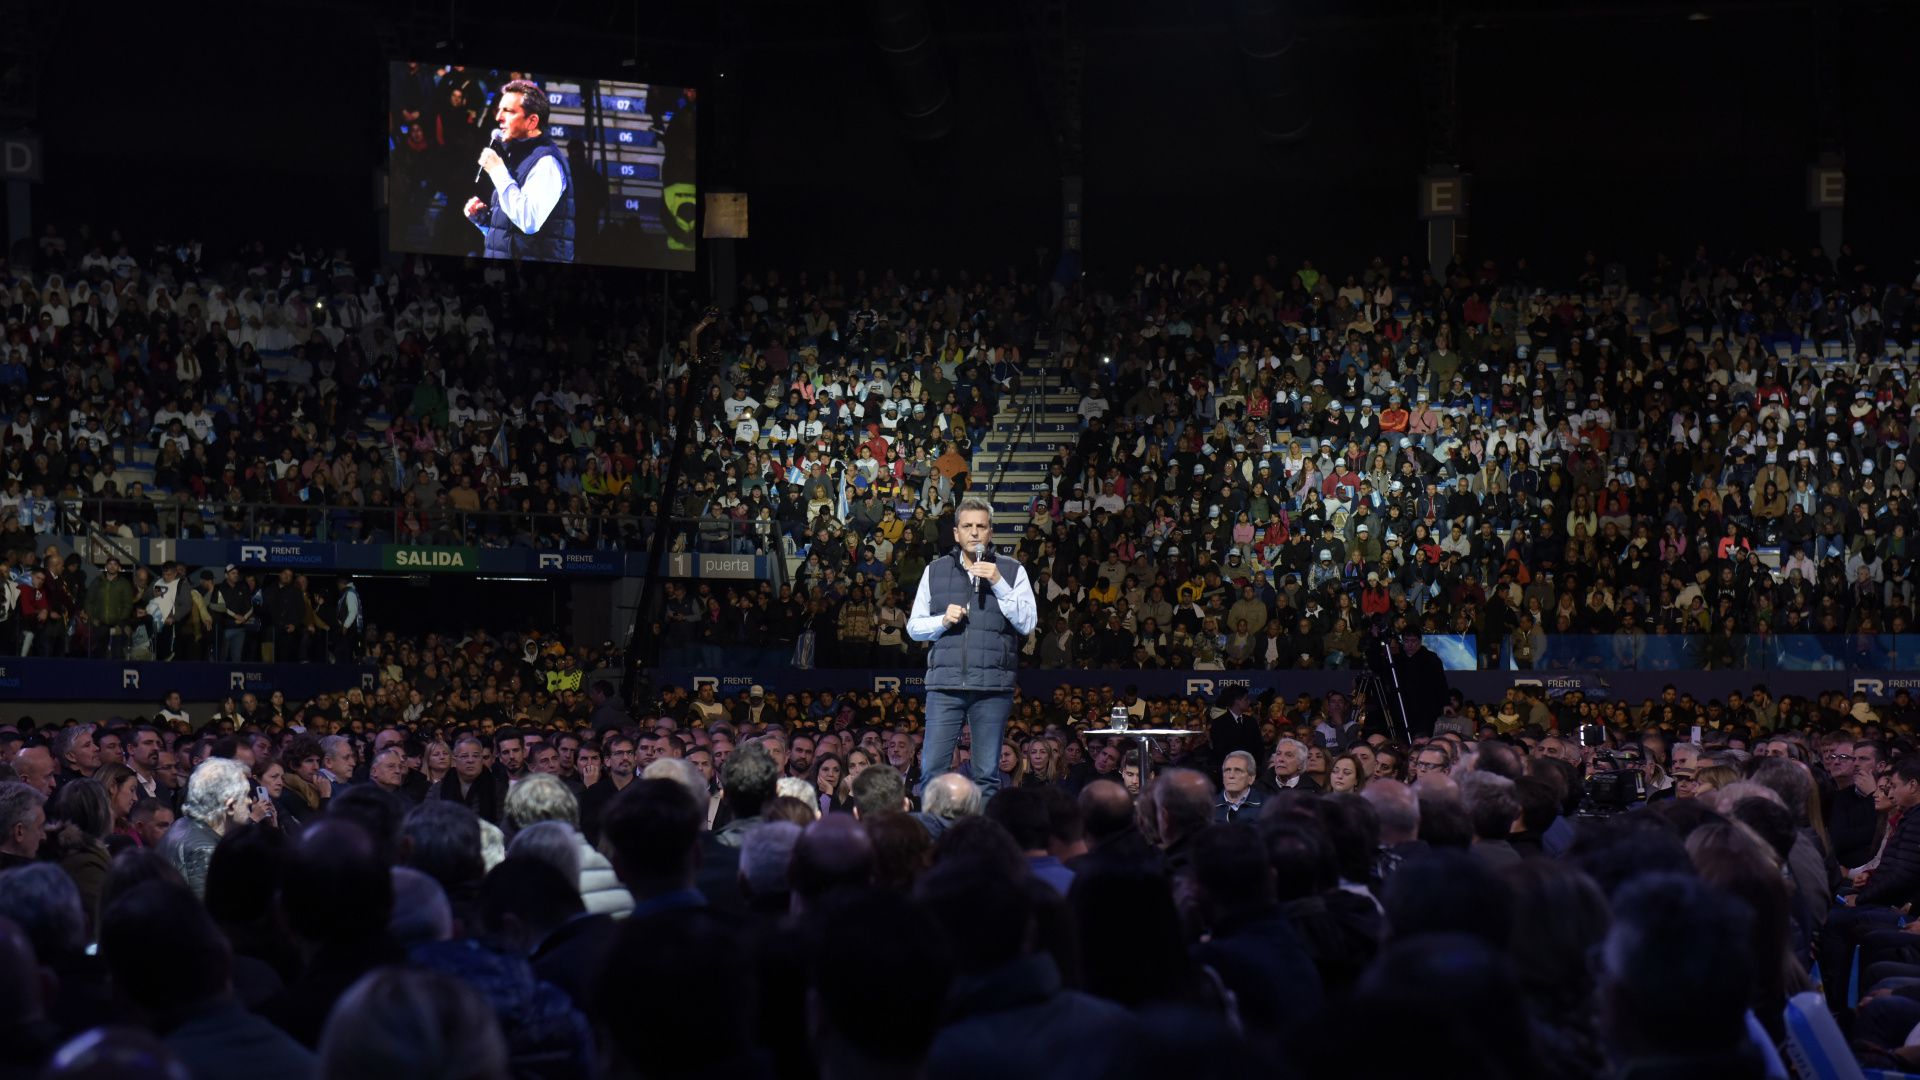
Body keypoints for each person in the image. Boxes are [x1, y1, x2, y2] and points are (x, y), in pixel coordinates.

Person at [907, 497, 1038, 801]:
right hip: (945, 685)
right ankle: (934, 840)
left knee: (985, 776)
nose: (975, 532)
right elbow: (914, 628)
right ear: (956, 533)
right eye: (968, 526)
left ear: (991, 532)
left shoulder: (1012, 570)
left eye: (981, 526)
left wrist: (998, 582)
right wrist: (942, 620)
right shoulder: (935, 570)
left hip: (992, 687)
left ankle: (981, 844)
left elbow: (1027, 623)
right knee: (932, 772)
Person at [465, 79, 575, 263]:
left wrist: (497, 171)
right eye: (499, 109)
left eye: (508, 111)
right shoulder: (515, 157)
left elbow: (529, 221)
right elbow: (513, 236)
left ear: (532, 121)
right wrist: (485, 223)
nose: (498, 117)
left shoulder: (546, 162)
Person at [157, 759, 260, 897]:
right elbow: (208, 911)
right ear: (229, 806)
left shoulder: (183, 823)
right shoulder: (205, 850)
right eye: (245, 795)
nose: (249, 801)